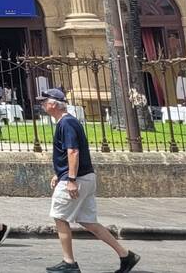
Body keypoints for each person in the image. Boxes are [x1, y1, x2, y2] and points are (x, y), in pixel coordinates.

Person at [39, 88, 140, 273]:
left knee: (60, 217)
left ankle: (69, 262)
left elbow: (73, 152)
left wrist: (69, 179)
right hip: (85, 177)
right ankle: (126, 255)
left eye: (44, 102)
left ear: (53, 104)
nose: (42, 105)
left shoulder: (66, 123)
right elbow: (69, 154)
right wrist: (60, 173)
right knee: (88, 221)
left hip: (76, 179)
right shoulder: (68, 122)